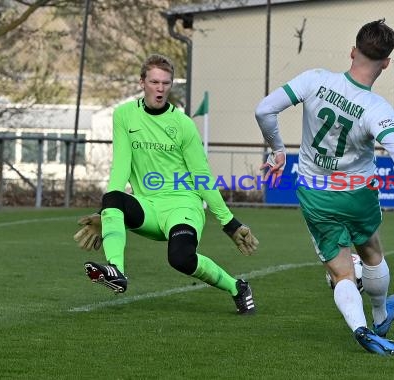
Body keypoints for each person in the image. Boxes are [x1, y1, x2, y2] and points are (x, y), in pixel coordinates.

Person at [255, 19, 394, 354]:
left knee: (341, 272)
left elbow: (264, 110)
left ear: (352, 50)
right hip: (358, 191)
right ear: (386, 63)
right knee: (372, 253)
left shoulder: (315, 79)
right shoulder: (376, 108)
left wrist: (277, 150)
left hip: (315, 191)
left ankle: (362, 329)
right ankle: (379, 315)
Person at [74, 53, 259, 315]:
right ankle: (116, 271)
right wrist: (107, 213)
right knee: (112, 196)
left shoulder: (183, 125)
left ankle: (237, 287)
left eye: (166, 83)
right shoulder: (125, 115)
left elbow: (202, 175)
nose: (160, 89)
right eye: (154, 82)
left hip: (183, 207)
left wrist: (229, 222)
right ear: (142, 82)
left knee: (180, 259)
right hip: (148, 207)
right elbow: (121, 167)